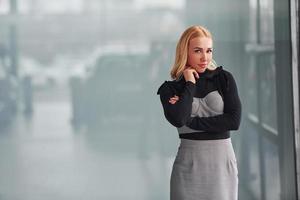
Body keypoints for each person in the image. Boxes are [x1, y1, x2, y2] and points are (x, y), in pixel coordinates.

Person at [157, 25, 242, 200]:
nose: (205, 58)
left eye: (209, 51)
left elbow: (234, 121)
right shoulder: (170, 89)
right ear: (185, 51)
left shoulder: (224, 79)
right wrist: (189, 84)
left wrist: (192, 121)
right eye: (198, 51)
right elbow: (179, 119)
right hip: (188, 167)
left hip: (222, 165)